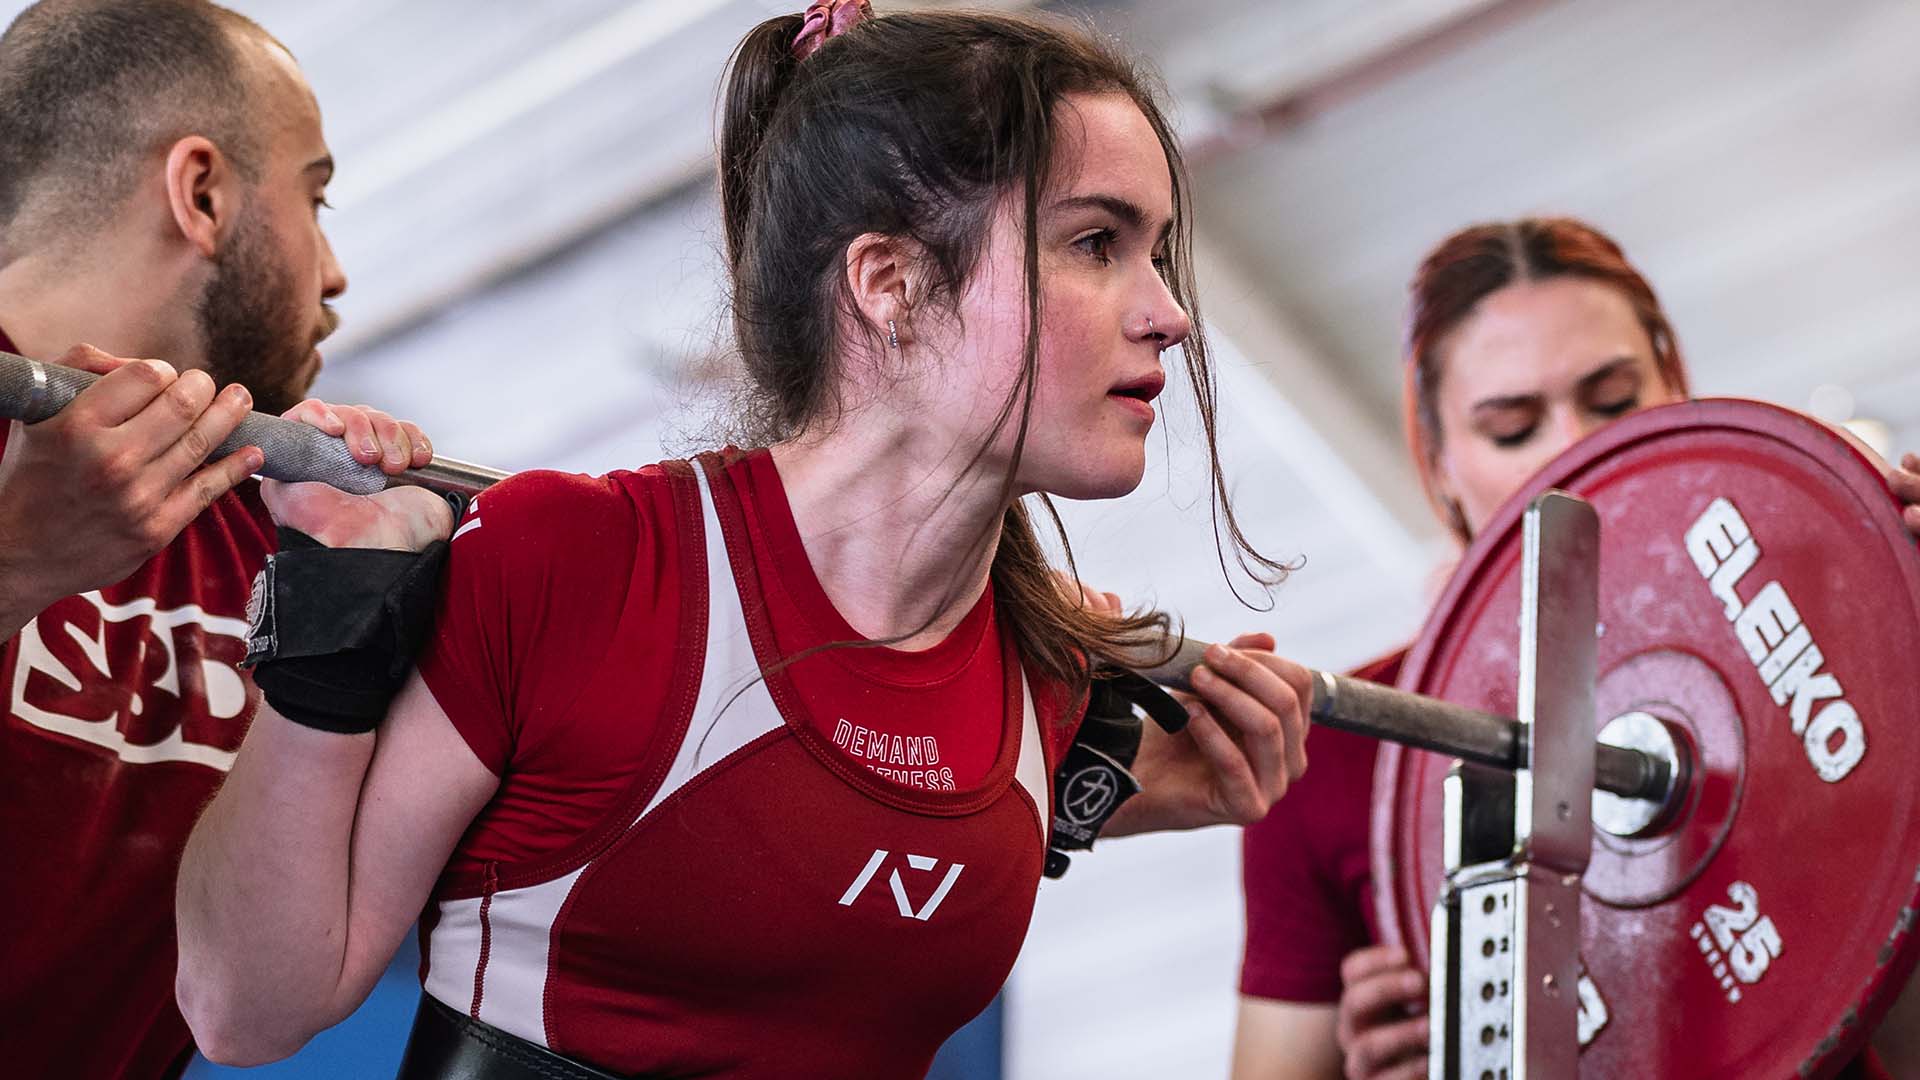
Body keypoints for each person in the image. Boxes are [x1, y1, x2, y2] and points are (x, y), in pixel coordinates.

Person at [175, 4, 1314, 1077]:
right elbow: (247, 1006)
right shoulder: (579, 563)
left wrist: (1146, 782)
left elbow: (847, 830)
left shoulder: (1048, 673)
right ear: (892, 284)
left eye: (1158, 252)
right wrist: (326, 624)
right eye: (1098, 243)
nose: (1167, 309)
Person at [1230, 217, 1920, 1080]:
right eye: (1513, 427)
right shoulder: (1332, 760)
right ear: (1438, 464)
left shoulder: (1847, 639)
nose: (1574, 448)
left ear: (1677, 388)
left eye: (1613, 399)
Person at [0, 2, 431, 1077]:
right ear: (201, 193)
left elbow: (254, 1007)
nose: (333, 272)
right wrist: (19, 561)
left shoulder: (283, 529)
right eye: (315, 197)